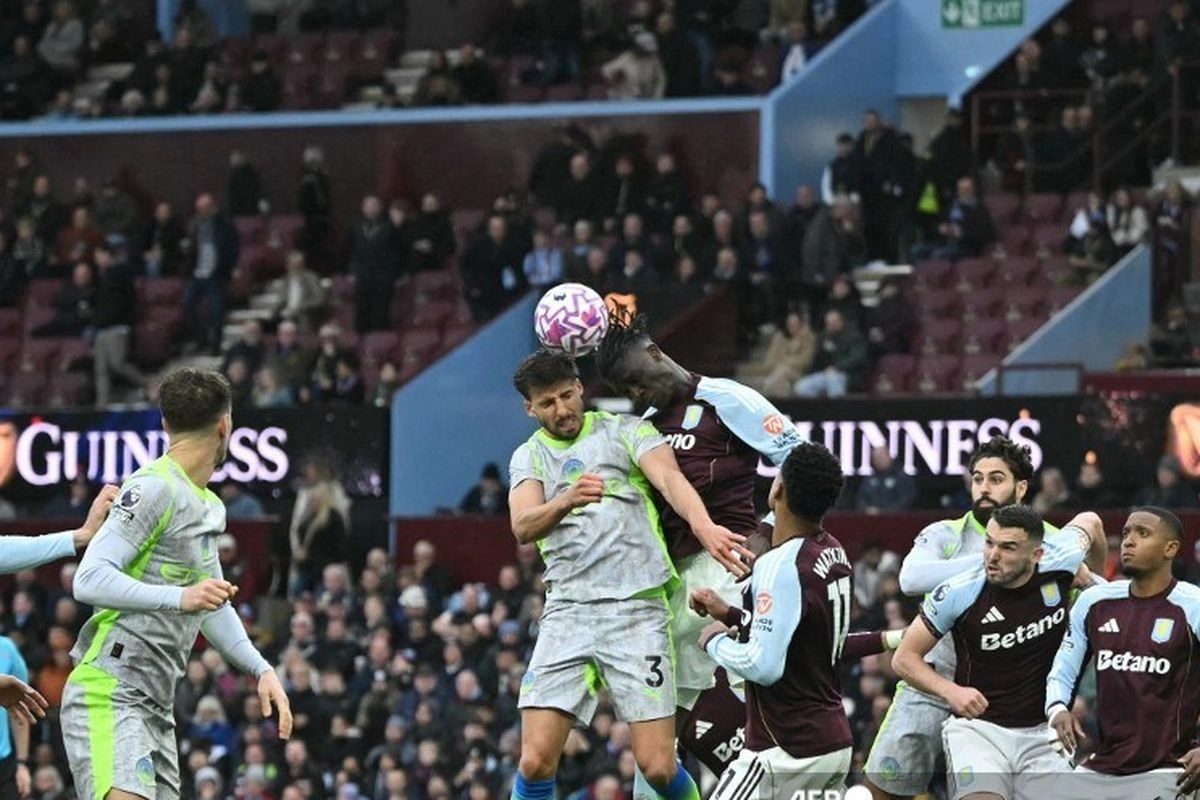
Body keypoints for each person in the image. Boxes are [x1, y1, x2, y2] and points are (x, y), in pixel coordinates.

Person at [595, 315, 897, 782]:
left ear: (655, 353)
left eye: (637, 381)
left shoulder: (726, 399)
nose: (638, 394)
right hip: (670, 590)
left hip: (725, 575)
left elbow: (803, 459)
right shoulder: (647, 426)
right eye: (627, 390)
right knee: (658, 747)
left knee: (732, 724)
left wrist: (766, 537)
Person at [506, 350, 742, 800]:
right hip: (568, 613)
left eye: (566, 396)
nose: (562, 410)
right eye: (548, 403)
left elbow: (672, 482)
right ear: (530, 409)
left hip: (637, 611)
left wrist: (703, 525)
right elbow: (522, 525)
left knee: (657, 767)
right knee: (534, 761)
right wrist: (566, 500)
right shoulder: (529, 457)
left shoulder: (625, 431)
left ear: (580, 388)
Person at [61, 368, 292, 800]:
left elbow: (213, 602)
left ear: (166, 425)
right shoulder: (152, 488)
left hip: (157, 704)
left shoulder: (208, 505)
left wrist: (260, 667)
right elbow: (89, 577)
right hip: (111, 689)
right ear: (226, 425)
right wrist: (180, 597)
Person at [864, 435, 1107, 800]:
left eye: (996, 479)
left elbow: (1091, 530)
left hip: (1014, 700)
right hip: (932, 683)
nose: (984, 488)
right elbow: (911, 579)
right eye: (978, 478)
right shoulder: (946, 532)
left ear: (1021, 487)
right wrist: (1008, 560)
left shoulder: (1049, 541)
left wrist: (1083, 576)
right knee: (882, 790)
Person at [689, 442, 854, 798]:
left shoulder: (779, 564)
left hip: (784, 750)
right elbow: (802, 637)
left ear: (778, 488)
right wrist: (731, 614)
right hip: (832, 744)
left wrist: (714, 642)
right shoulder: (833, 550)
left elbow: (763, 666)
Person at [1047, 507, 1200, 799]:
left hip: (1167, 769)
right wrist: (1057, 708)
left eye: (1142, 533)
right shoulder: (1094, 602)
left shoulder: (1192, 605)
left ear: (1171, 548)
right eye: (1127, 532)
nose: (1129, 541)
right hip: (1101, 766)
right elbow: (1063, 670)